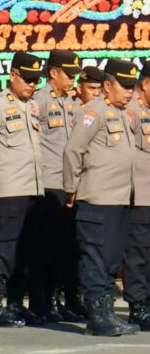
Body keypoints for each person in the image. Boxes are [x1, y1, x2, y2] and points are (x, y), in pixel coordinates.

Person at [63, 59, 139, 336]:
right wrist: (71, 187)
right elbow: (73, 150)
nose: (129, 92)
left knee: (110, 259)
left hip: (119, 198)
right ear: (107, 85)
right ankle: (96, 316)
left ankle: (107, 313)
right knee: (95, 258)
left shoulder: (121, 113)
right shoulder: (93, 112)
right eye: (124, 86)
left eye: (131, 87)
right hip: (97, 199)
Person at [0, 52, 45, 327]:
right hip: (8, 189)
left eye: (35, 80)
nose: (31, 84)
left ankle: (15, 303)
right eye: (27, 79)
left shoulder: (33, 106)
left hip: (32, 189)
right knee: (2, 247)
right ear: (12, 75)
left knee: (24, 249)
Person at [30, 50, 82, 323]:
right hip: (47, 184)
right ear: (53, 73)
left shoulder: (70, 103)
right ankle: (39, 301)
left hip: (68, 184)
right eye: (68, 74)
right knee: (42, 247)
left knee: (63, 247)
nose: (73, 79)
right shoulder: (38, 101)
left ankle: (55, 299)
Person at [124, 60, 150, 331]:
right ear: (146, 84)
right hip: (139, 195)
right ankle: (137, 305)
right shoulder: (130, 111)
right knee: (138, 253)